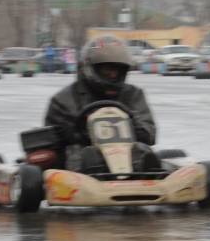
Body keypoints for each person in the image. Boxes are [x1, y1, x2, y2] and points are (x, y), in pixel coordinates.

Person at [42, 36, 157, 170]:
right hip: (81, 168)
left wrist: (133, 126)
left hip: (130, 163)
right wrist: (76, 132)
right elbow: (52, 143)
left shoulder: (133, 95)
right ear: (89, 68)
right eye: (107, 69)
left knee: (147, 152)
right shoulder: (64, 100)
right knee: (75, 154)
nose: (113, 75)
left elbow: (149, 134)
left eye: (117, 70)